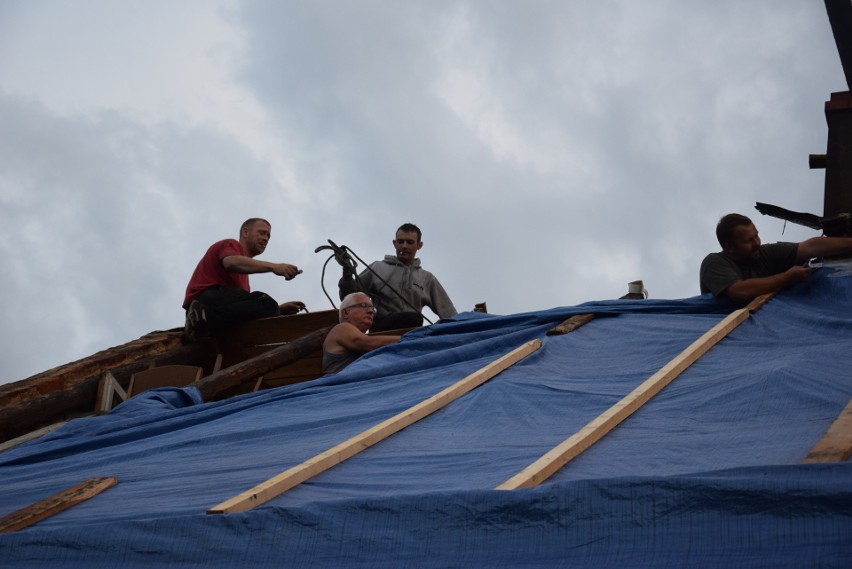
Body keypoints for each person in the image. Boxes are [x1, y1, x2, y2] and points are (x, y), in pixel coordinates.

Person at [183, 218, 304, 340]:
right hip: (204, 301)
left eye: (268, 236)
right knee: (265, 302)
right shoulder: (230, 244)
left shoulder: (244, 281)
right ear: (245, 232)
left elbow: (241, 310)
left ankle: (202, 324)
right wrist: (274, 267)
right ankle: (201, 318)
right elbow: (230, 262)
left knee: (266, 308)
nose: (266, 239)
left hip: (216, 310)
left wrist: (279, 310)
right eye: (262, 233)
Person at [699, 213, 852, 303]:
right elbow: (739, 291)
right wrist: (787, 277)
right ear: (729, 248)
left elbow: (810, 247)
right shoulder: (714, 263)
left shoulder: (764, 253)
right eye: (748, 241)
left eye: (756, 235)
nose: (757, 243)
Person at [338, 223, 457, 332]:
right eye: (400, 242)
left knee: (415, 318)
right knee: (414, 318)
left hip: (412, 333)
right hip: (381, 330)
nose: (404, 246)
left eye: (410, 242)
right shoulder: (377, 268)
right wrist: (347, 272)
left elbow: (449, 313)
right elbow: (348, 297)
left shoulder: (427, 278)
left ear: (419, 245)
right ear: (394, 243)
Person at [322, 292, 400, 374]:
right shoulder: (341, 328)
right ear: (346, 313)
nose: (370, 311)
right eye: (363, 306)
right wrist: (407, 339)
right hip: (341, 385)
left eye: (372, 308)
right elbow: (370, 343)